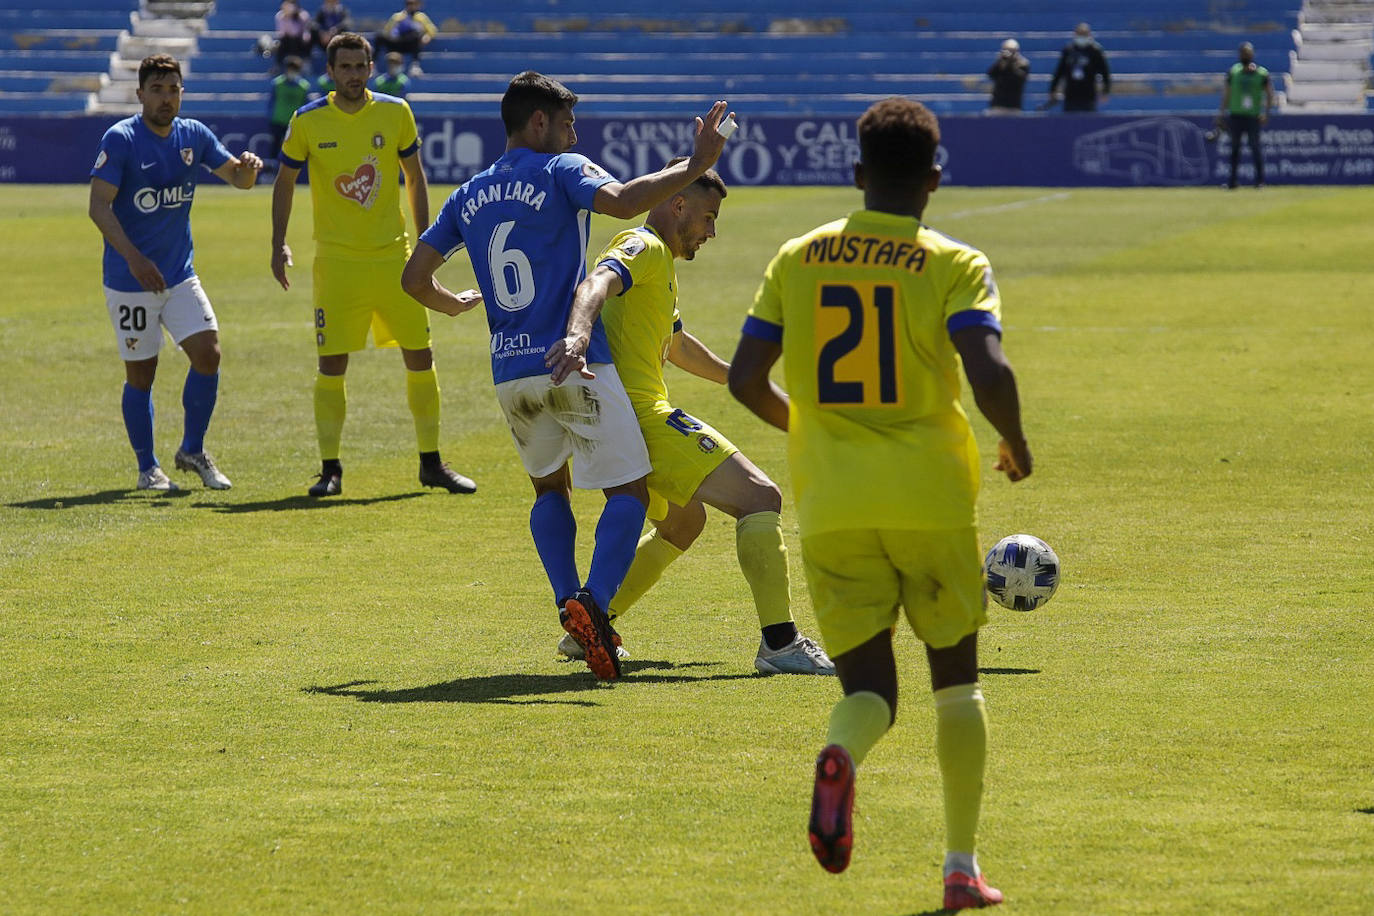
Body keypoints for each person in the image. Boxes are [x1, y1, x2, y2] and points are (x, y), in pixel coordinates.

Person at [728, 97, 1032, 909]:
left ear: (856, 175)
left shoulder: (798, 257)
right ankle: (960, 868)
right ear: (934, 179)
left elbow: (743, 379)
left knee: (869, 693)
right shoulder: (953, 261)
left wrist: (814, 430)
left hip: (834, 507)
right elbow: (990, 371)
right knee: (956, 685)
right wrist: (1017, 441)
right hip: (930, 502)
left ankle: (842, 758)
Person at [400, 71, 731, 680]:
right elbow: (628, 203)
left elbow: (414, 278)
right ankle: (596, 608)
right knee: (627, 492)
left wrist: (453, 304)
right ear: (539, 123)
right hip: (572, 361)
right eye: (569, 122)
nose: (575, 133)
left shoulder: (465, 195)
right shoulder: (559, 169)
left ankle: (566, 600)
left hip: (510, 372)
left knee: (550, 491)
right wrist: (698, 161)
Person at [549, 157, 833, 675]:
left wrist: (735, 376)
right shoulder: (644, 247)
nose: (712, 231)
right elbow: (595, 283)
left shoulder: (660, 264)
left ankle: (591, 623)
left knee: (683, 523)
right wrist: (578, 333)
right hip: (640, 416)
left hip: (621, 417)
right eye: (707, 217)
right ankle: (781, 643)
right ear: (677, 204)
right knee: (760, 497)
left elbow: (674, 344)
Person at [271, 32, 475, 498]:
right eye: (344, 67)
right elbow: (284, 181)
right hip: (337, 264)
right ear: (331, 72)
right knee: (332, 362)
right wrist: (278, 243)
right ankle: (330, 470)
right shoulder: (307, 120)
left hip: (393, 258)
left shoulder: (395, 111)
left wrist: (429, 245)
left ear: (370, 66)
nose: (354, 75)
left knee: (420, 355)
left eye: (361, 66)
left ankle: (431, 463)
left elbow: (414, 175)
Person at [88, 54, 263, 491]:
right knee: (141, 375)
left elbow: (237, 179)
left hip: (180, 275)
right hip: (130, 280)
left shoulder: (193, 135)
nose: (167, 99)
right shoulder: (122, 138)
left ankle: (192, 449)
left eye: (173, 90)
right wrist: (133, 258)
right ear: (141, 94)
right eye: (158, 90)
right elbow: (98, 206)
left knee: (209, 354)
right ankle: (148, 468)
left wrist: (249, 170)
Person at [1219, 42, 1273, 189]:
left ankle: (1260, 181)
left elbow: (1269, 94)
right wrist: (1221, 114)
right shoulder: (1234, 72)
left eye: (1247, 53)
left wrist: (1266, 113)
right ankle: (1232, 182)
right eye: (1243, 53)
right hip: (1236, 115)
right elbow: (1226, 94)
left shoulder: (1261, 73)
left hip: (1252, 116)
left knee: (1255, 148)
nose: (1245, 55)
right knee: (1235, 149)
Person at [1049, 22, 1110, 112]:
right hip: (1071, 93)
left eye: (1084, 34)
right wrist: (1053, 89)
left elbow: (1105, 72)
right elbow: (1060, 71)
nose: (1081, 37)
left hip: (1088, 94)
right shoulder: (1069, 50)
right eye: (1080, 34)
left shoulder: (1095, 51)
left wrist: (1105, 91)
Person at [375, 0, 437, 77]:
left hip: (409, 44)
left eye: (413, 4)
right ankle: (373, 65)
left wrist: (426, 37)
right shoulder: (397, 16)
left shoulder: (421, 17)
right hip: (396, 42)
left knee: (416, 37)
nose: (411, 6)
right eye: (408, 3)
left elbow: (432, 30)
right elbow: (387, 31)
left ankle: (415, 66)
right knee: (379, 36)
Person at [267, 55, 311, 162]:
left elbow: (306, 104)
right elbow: (271, 101)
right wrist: (270, 117)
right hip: (278, 120)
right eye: (290, 69)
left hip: (294, 122)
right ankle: (272, 170)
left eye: (294, 70)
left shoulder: (304, 86)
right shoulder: (277, 83)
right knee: (275, 147)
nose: (292, 72)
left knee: (293, 149)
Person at [986, 38, 1029, 113]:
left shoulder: (1023, 64)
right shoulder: (1000, 63)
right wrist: (1000, 63)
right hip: (998, 103)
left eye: (1011, 50)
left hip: (1013, 105)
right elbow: (991, 74)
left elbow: (1018, 79)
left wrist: (1010, 65)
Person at [273, 0, 314, 71]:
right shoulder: (280, 16)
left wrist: (291, 18)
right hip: (287, 42)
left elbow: (297, 32)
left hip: (300, 42)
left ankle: (303, 64)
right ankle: (278, 66)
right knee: (283, 42)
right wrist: (287, 18)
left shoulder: (303, 15)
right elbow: (281, 33)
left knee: (296, 40)